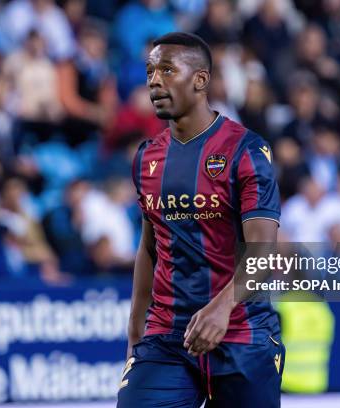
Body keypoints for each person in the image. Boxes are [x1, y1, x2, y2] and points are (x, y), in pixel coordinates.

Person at [117, 32, 284, 408]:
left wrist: (221, 308)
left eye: (167, 70)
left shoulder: (246, 150)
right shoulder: (147, 157)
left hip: (243, 334)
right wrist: (134, 332)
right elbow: (149, 247)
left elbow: (263, 251)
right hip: (166, 340)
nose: (154, 81)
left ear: (200, 80)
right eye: (149, 71)